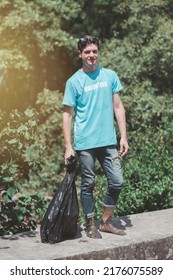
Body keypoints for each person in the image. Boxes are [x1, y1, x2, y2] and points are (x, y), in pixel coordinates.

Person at [62, 35, 129, 239]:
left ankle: (105, 222)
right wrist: (68, 146)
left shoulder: (109, 75)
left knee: (117, 181)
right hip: (86, 143)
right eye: (87, 52)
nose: (91, 55)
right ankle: (90, 222)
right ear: (80, 54)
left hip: (108, 140)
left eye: (94, 51)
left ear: (98, 52)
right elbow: (67, 114)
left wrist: (123, 137)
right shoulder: (74, 82)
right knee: (88, 183)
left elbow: (118, 107)